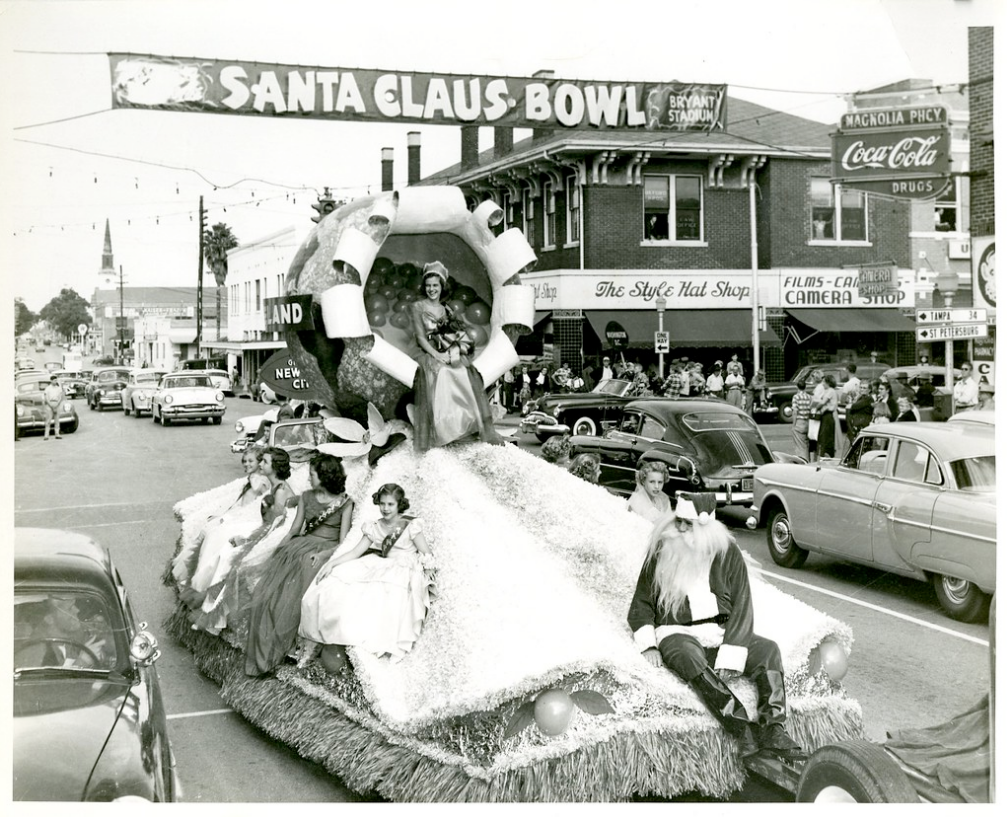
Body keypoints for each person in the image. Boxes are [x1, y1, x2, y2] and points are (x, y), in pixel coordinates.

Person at [628, 493, 803, 760]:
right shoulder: (663, 549)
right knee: (688, 656)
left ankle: (773, 730)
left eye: (688, 524)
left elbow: (742, 607)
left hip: (718, 632)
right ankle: (741, 728)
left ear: (705, 525)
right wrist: (648, 643)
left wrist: (731, 656)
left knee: (768, 650)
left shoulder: (727, 551)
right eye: (679, 522)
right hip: (677, 631)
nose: (681, 529)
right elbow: (641, 600)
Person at [245, 453, 354, 676]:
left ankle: (289, 648)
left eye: (312, 475)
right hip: (299, 548)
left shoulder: (346, 503)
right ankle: (265, 655)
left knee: (293, 596)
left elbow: (343, 542)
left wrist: (325, 555)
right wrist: (278, 551)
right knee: (266, 596)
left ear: (324, 476)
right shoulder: (305, 497)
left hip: (323, 551)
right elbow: (294, 530)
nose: (309, 479)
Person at [300, 484, 432, 660]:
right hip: (383, 564)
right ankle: (342, 635)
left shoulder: (410, 525)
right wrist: (332, 564)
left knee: (386, 595)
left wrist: (428, 569)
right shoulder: (374, 527)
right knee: (341, 584)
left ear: (399, 504)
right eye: (382, 504)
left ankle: (377, 640)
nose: (385, 509)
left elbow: (425, 552)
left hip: (404, 568)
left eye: (391, 504)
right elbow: (355, 552)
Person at [185, 448, 296, 634]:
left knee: (229, 558)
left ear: (275, 467)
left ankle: (214, 618)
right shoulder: (275, 486)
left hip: (273, 541)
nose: (260, 464)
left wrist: (247, 540)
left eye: (265, 462)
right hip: (265, 533)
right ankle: (210, 611)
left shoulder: (282, 492)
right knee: (223, 550)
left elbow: (275, 528)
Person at [410, 261, 506, 451]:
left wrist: (454, 349)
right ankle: (444, 430)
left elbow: (455, 334)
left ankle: (462, 427)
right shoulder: (418, 307)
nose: (431, 289)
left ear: (442, 287)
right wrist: (438, 355)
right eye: (428, 286)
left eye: (435, 285)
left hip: (446, 350)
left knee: (463, 370)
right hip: (427, 352)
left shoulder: (447, 310)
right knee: (443, 373)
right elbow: (421, 338)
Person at [790, 379, 812, 460]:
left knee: (800, 445)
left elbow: (795, 411)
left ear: (797, 387)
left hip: (799, 422)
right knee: (806, 444)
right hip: (808, 422)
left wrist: (793, 425)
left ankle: (803, 460)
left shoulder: (796, 397)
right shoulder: (809, 397)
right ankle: (808, 460)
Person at [42, 375, 65, 440]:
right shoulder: (48, 388)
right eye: (54, 380)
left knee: (57, 420)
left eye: (56, 380)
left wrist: (57, 403)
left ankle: (57, 434)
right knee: (48, 420)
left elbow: (61, 397)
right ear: (51, 381)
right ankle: (46, 435)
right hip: (49, 404)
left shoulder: (58, 388)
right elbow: (46, 398)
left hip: (57, 403)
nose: (55, 381)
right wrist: (51, 405)